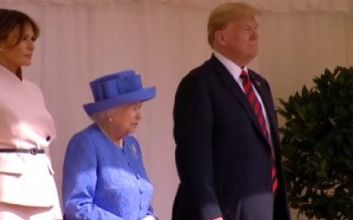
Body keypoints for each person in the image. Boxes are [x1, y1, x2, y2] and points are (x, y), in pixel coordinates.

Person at [172, 2, 291, 220]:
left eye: (256, 28)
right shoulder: (199, 84)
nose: (255, 35)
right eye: (247, 29)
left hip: (265, 209)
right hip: (225, 212)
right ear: (221, 37)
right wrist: (210, 213)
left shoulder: (260, 85)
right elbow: (193, 157)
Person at [0, 9, 62, 220]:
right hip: (8, 202)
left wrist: (56, 211)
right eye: (23, 39)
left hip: (43, 196)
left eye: (32, 38)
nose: (31, 45)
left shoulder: (34, 90)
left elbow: (44, 155)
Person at [62, 70, 158, 220]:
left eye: (140, 108)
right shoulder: (86, 143)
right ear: (111, 112)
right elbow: (76, 207)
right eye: (134, 108)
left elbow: (141, 198)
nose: (140, 115)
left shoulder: (132, 145)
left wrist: (150, 216)